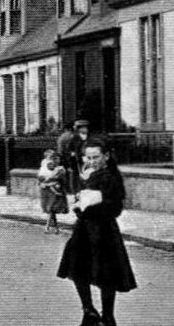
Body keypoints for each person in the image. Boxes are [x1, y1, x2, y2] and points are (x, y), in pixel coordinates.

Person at [56, 137, 137, 326]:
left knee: (106, 274)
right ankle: (88, 310)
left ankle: (108, 316)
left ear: (106, 156)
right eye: (88, 157)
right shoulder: (87, 175)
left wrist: (93, 205)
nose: (92, 161)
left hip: (103, 231)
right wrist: (79, 204)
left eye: (96, 157)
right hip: (84, 229)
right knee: (77, 268)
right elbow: (78, 200)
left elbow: (115, 208)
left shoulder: (111, 178)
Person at [38, 149, 69, 234]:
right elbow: (40, 177)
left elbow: (60, 178)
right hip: (47, 190)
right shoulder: (44, 167)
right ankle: (55, 228)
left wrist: (51, 179)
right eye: (49, 158)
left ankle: (47, 227)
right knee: (51, 210)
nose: (51, 160)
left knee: (52, 209)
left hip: (56, 189)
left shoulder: (59, 169)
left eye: (53, 158)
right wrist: (42, 182)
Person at [60, 119, 91, 197]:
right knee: (76, 176)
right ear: (78, 129)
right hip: (76, 161)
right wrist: (73, 154)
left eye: (86, 127)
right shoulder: (74, 138)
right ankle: (76, 193)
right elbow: (68, 150)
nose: (85, 129)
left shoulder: (89, 137)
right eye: (83, 128)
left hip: (88, 159)